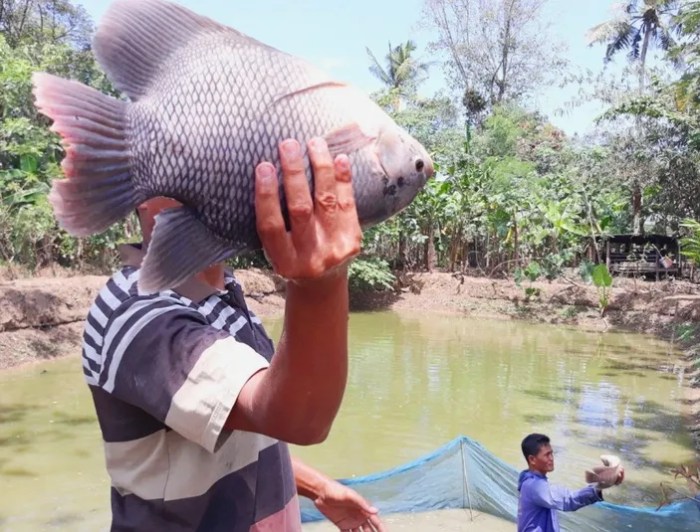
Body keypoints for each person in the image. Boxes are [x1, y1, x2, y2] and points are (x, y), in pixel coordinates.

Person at [81, 137, 385, 531]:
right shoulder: (138, 312)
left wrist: (319, 487)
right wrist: (320, 282)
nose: (213, 182)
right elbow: (298, 418)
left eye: (225, 165)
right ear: (140, 191)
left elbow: (232, 432)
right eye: (186, 170)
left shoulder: (223, 291)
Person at [517, 433, 624, 532]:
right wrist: (598, 488)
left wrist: (603, 485)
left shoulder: (532, 481)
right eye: (547, 455)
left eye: (552, 453)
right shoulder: (534, 486)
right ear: (532, 460)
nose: (551, 458)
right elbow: (569, 499)